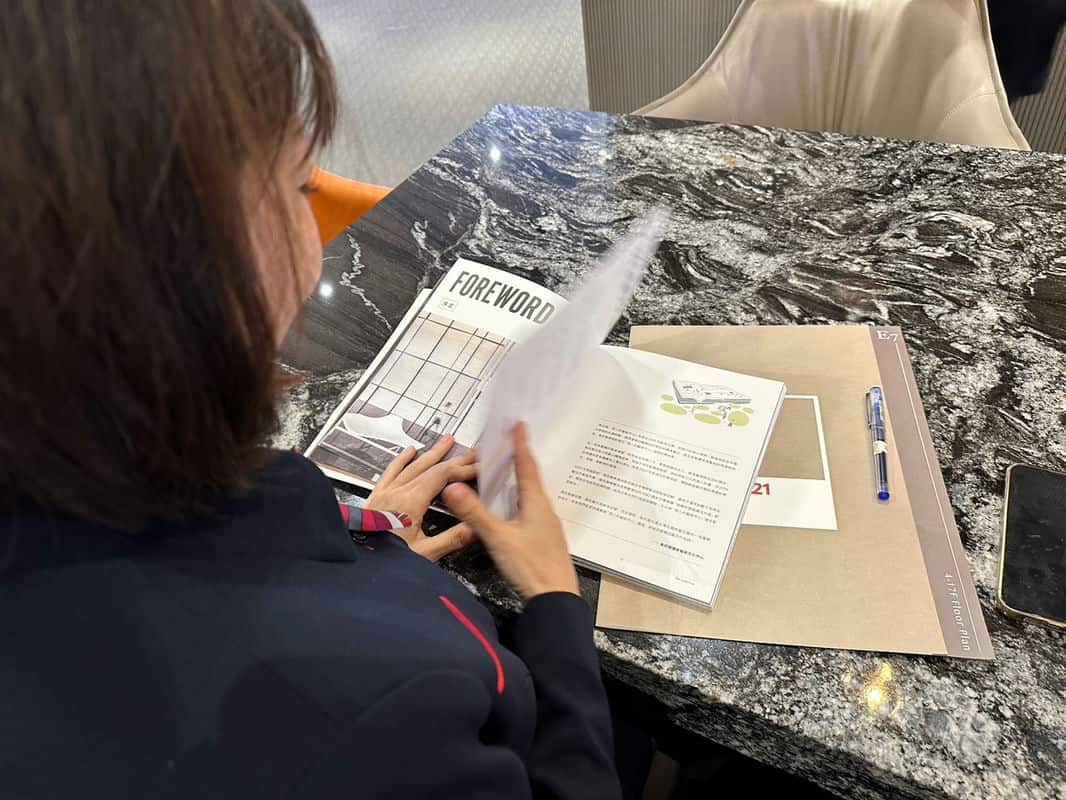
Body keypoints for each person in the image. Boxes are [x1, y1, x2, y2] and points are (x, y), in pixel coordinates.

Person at [0, 1, 622, 797]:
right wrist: (557, 610)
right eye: (301, 185)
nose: (316, 231)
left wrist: (369, 548)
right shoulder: (368, 714)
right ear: (170, 269)